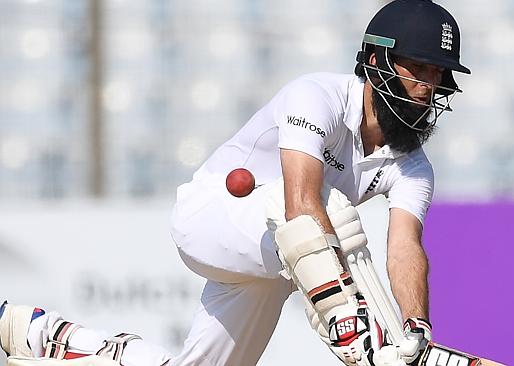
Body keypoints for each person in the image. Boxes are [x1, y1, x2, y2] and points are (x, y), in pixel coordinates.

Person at [0, 1, 470, 365]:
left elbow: (405, 247)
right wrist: (350, 315)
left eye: (437, 74)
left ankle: (45, 335)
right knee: (331, 214)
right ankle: (365, 339)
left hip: (283, 260)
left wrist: (417, 327)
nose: (429, 87)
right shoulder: (315, 97)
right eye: (419, 69)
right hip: (215, 218)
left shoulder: (414, 165)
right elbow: (300, 201)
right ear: (376, 59)